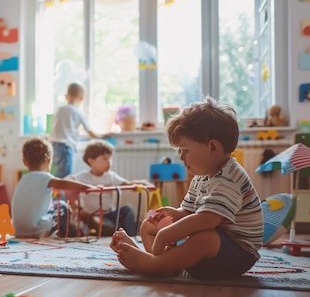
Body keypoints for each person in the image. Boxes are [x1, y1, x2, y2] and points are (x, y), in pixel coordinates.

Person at [110, 96, 263, 280]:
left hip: (236, 255)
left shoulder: (228, 178)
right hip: (210, 248)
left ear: (213, 147)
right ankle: (164, 263)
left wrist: (165, 235)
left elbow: (207, 220)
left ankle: (153, 264)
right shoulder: (201, 176)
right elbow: (188, 212)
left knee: (206, 238)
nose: (181, 158)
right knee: (149, 224)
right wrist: (173, 214)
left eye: (185, 150)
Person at [12, 136, 95, 238]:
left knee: (53, 205)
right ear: (48, 161)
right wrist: (87, 187)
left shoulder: (22, 180)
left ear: (24, 162)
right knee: (62, 206)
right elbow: (64, 183)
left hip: (19, 230)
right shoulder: (45, 177)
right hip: (36, 230)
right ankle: (67, 233)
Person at [74, 140, 150, 236]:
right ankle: (109, 229)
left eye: (110, 159)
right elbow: (68, 181)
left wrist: (142, 183)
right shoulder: (83, 177)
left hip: (110, 214)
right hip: (94, 215)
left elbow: (128, 184)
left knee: (128, 209)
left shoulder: (111, 176)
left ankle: (129, 235)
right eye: (105, 159)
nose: (109, 162)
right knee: (101, 223)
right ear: (91, 161)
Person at [49, 83, 109, 178]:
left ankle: (54, 192)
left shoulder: (60, 110)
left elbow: (53, 126)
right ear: (81, 98)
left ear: (66, 96)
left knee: (56, 174)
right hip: (66, 147)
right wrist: (101, 137)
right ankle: (62, 193)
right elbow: (89, 131)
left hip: (54, 146)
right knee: (65, 176)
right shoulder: (77, 112)